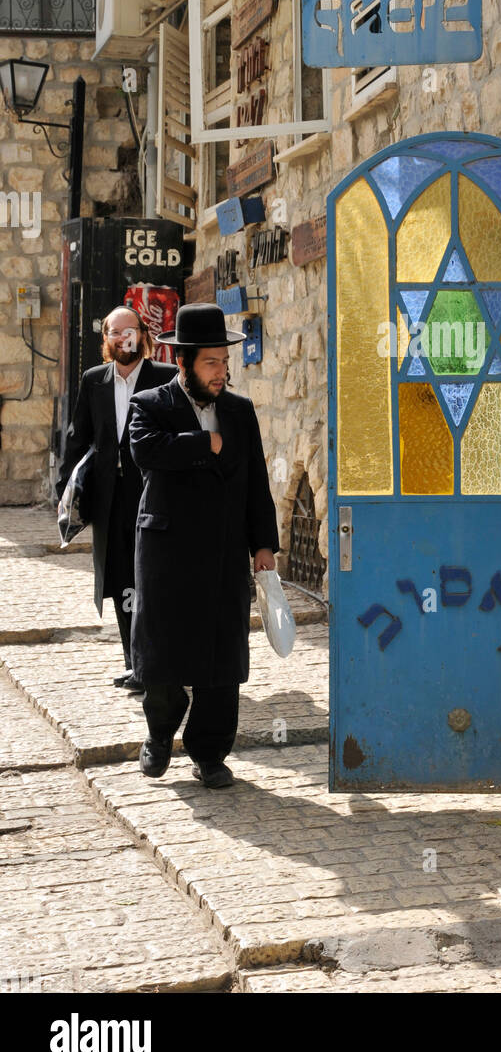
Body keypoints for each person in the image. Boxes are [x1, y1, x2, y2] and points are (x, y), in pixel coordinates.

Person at [128, 302, 278, 789]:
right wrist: (202, 444)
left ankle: (210, 752)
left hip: (222, 553)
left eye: (224, 361)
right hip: (167, 554)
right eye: (210, 362)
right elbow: (145, 450)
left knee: (222, 655)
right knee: (162, 656)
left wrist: (264, 544)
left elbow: (256, 480)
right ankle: (158, 733)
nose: (222, 372)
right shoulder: (150, 404)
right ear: (183, 363)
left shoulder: (240, 411)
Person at [56, 305, 177, 692]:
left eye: (130, 331)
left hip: (155, 496)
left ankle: (162, 662)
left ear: (142, 335)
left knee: (157, 579)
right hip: (111, 499)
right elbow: (78, 437)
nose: (123, 338)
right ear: (106, 338)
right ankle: (135, 663)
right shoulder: (94, 381)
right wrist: (66, 493)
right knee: (122, 580)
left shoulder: (167, 378)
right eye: (114, 332)